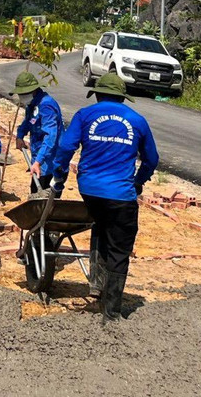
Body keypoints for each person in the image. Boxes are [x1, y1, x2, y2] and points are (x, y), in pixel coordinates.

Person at [53, 72, 159, 323]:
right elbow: (151, 159)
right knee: (119, 248)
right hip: (120, 194)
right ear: (122, 98)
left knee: (100, 228)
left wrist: (59, 174)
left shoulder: (85, 115)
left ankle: (97, 287)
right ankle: (111, 312)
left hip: (89, 190)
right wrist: (138, 181)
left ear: (98, 94)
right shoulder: (137, 120)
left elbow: (67, 147)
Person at [13, 71, 63, 193]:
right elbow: (28, 122)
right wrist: (20, 135)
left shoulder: (46, 105)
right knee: (35, 191)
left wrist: (38, 161)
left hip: (49, 160)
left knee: (44, 198)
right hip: (38, 158)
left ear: (33, 90)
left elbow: (50, 136)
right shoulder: (32, 105)